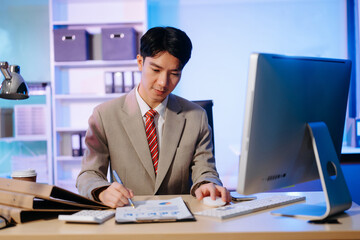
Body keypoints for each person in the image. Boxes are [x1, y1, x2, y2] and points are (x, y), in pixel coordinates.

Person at [76, 26, 231, 208]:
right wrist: (102, 191)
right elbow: (88, 174)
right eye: (156, 70)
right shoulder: (104, 115)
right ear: (140, 62)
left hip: (183, 221)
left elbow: (205, 170)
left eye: (174, 74)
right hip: (129, 219)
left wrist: (207, 184)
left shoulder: (196, 117)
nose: (163, 82)